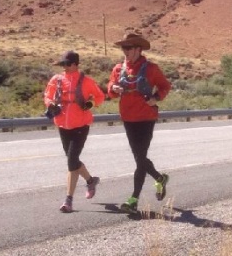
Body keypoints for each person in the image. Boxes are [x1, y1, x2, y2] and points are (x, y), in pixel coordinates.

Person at [107, 32, 172, 214]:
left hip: (146, 118)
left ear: (138, 49)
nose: (124, 51)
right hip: (128, 118)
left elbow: (165, 86)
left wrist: (156, 97)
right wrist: (114, 87)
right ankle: (159, 178)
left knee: (140, 159)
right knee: (139, 158)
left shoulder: (151, 69)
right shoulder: (119, 68)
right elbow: (110, 89)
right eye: (123, 48)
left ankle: (133, 199)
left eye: (128, 48)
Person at [43, 50, 105, 213]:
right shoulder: (56, 80)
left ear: (76, 65)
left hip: (81, 125)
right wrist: (50, 104)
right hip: (63, 125)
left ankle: (68, 201)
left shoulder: (86, 81)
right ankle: (91, 180)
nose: (64, 67)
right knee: (73, 160)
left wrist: (90, 104)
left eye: (67, 64)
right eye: (62, 64)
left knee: (71, 161)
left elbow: (99, 97)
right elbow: (47, 96)